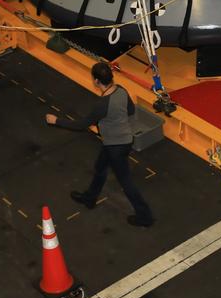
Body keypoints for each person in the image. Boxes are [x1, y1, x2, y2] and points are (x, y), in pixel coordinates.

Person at [47, 62, 154, 227]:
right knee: (100, 167)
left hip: (115, 146)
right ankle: (90, 198)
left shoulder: (102, 104)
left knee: (126, 182)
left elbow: (81, 125)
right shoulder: (121, 90)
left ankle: (145, 216)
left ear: (96, 81)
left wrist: (56, 121)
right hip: (122, 141)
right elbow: (131, 111)